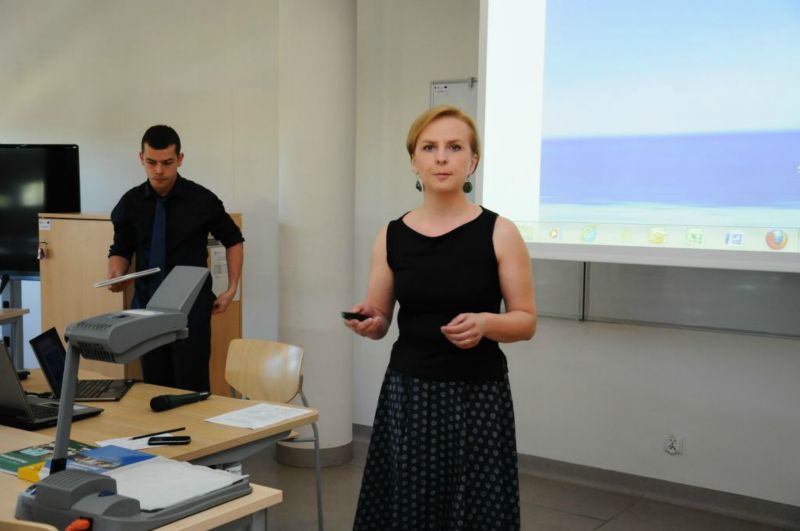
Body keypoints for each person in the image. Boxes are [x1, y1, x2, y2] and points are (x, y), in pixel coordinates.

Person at [344, 106, 537, 530]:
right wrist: (369, 322)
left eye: (455, 147)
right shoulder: (391, 234)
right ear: (414, 161)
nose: (442, 157)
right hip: (410, 392)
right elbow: (380, 319)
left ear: (473, 161)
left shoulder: (500, 231)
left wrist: (486, 324)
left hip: (478, 394)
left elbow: (526, 321)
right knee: (412, 507)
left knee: (476, 509)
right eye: (429, 147)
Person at [107, 125, 244, 393]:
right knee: (155, 389)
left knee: (191, 389)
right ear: (141, 158)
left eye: (167, 163)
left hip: (190, 311)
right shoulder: (130, 203)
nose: (159, 170)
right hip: (147, 310)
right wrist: (116, 274)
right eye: (152, 162)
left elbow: (234, 240)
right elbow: (121, 249)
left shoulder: (202, 200)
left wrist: (231, 288)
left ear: (180, 159)